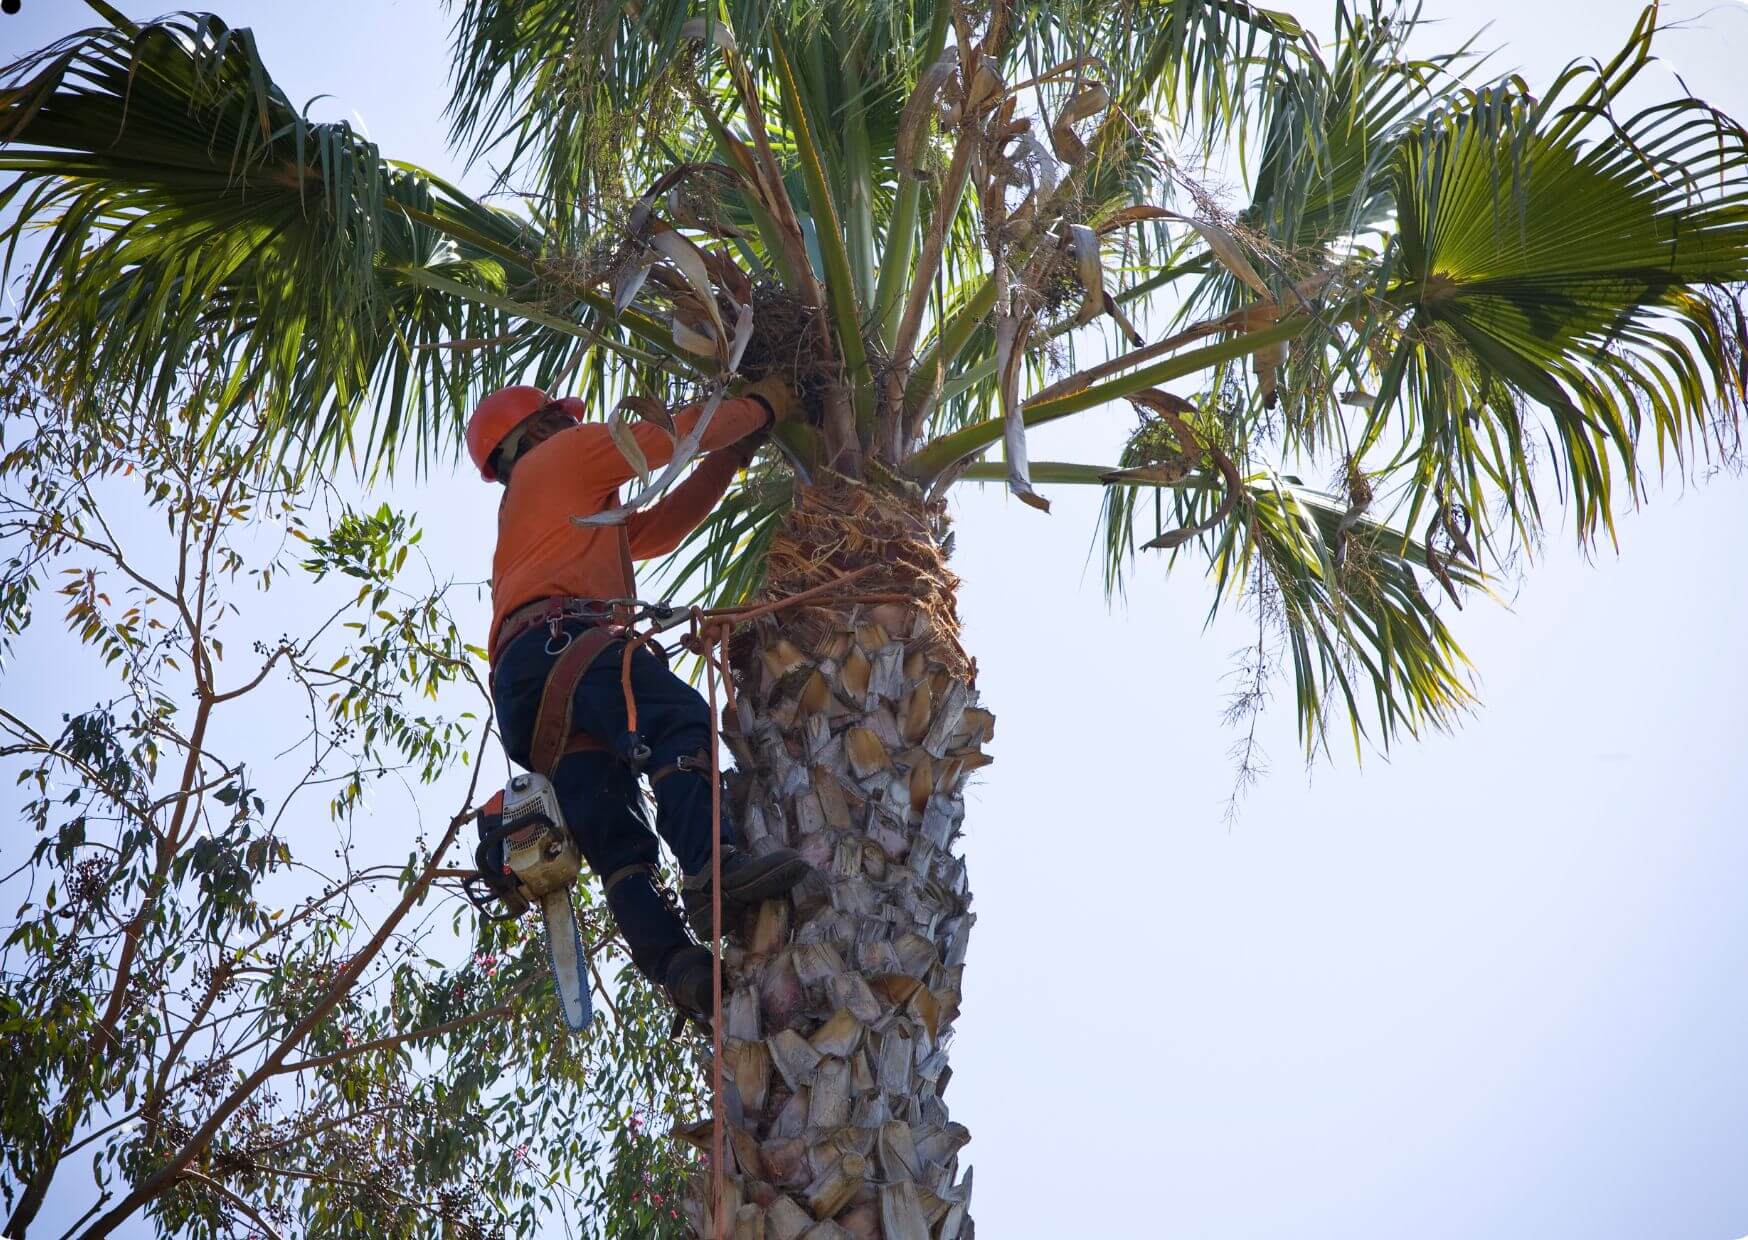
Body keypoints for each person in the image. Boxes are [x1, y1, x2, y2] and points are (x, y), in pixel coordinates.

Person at [468, 379, 812, 1020]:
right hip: (561, 644)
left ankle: (676, 966)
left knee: (619, 841)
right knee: (677, 718)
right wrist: (768, 403)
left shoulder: (545, 505)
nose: (578, 427)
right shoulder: (560, 459)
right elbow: (666, 437)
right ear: (541, 430)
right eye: (565, 421)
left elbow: (657, 531)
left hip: (528, 692)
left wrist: (735, 455)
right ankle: (713, 867)